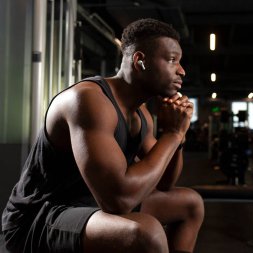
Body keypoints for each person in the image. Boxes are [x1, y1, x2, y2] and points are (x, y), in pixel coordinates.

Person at [2, 18, 204, 253]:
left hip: (90, 207)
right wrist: (172, 134)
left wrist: (178, 137)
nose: (182, 70)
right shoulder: (89, 100)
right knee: (146, 231)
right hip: (40, 219)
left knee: (190, 204)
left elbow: (166, 182)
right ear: (140, 61)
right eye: (172, 60)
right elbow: (118, 201)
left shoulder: (142, 115)